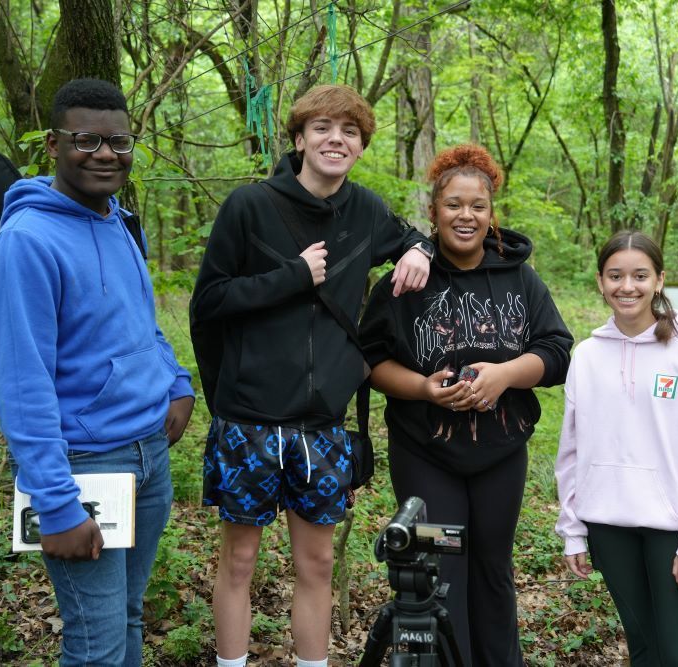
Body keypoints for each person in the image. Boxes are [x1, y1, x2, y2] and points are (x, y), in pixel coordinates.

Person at [190, 84, 433, 667]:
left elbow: (412, 236)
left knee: (317, 563)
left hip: (321, 424)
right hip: (248, 419)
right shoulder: (249, 207)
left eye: (350, 132)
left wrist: (419, 249)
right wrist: (292, 277)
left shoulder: (367, 212)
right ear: (299, 140)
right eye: (322, 128)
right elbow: (210, 302)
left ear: (360, 147)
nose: (336, 139)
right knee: (240, 561)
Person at [0, 78, 195, 667]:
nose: (105, 153)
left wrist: (176, 381)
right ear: (53, 145)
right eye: (86, 140)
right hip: (85, 466)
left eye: (119, 141)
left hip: (148, 455)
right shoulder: (25, 244)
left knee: (127, 617)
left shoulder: (119, 222)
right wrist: (55, 504)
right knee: (96, 646)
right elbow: (22, 386)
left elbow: (140, 323)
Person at [358, 144, 573, 665]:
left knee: (493, 570)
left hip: (501, 452)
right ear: (432, 212)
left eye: (477, 205)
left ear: (491, 212)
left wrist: (504, 375)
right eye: (453, 204)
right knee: (437, 572)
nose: (466, 215)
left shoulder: (520, 277)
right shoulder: (404, 282)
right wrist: (424, 389)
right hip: (425, 450)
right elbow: (369, 360)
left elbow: (557, 351)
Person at [554, 230, 678, 666]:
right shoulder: (586, 356)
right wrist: (573, 528)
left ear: (659, 280)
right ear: (601, 281)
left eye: (640, 275)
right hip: (608, 525)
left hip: (673, 530)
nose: (627, 286)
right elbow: (572, 451)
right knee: (642, 648)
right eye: (615, 275)